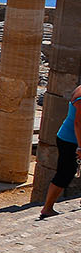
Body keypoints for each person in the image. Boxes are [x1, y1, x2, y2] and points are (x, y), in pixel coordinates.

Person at [39, 82, 81, 218]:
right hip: (71, 140)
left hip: (74, 139)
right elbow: (78, 123)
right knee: (65, 173)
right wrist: (80, 147)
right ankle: (47, 208)